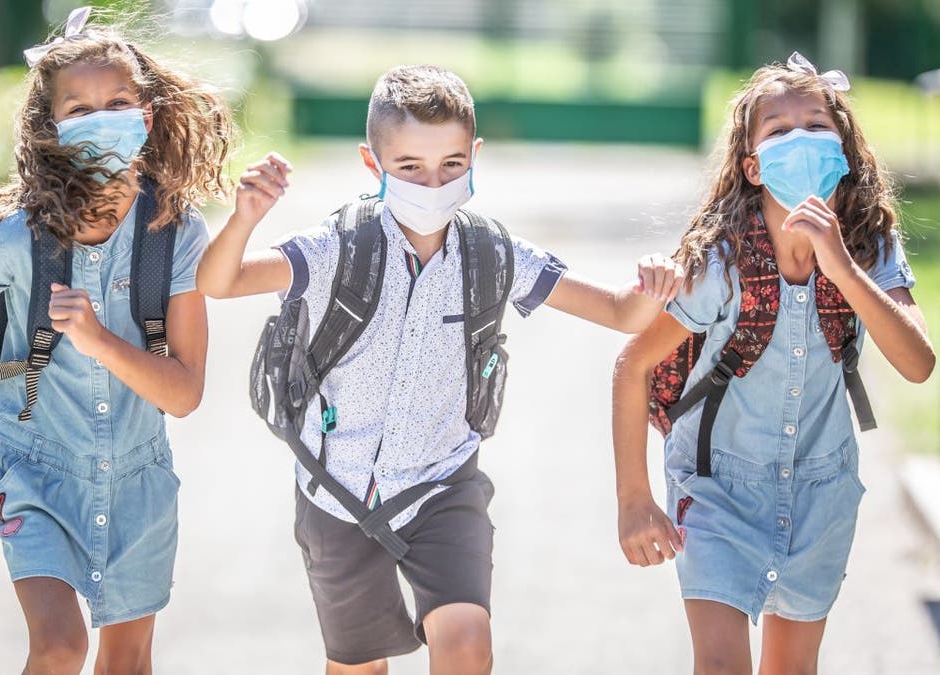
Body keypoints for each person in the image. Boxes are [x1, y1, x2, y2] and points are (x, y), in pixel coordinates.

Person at [198, 64, 683, 675]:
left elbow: (618, 311)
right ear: (372, 165)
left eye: (452, 164)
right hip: (338, 493)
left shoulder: (490, 252)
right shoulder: (336, 248)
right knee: (358, 665)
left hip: (443, 484)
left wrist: (653, 285)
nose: (433, 182)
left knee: (467, 642)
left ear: (474, 155)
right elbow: (220, 283)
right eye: (410, 168)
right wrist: (245, 216)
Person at [0, 7, 232, 673]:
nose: (101, 120)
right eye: (80, 109)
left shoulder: (175, 236)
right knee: (61, 645)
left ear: (146, 118)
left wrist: (99, 340)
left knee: (125, 661)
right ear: (52, 129)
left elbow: (183, 395)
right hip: (34, 473)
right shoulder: (21, 238)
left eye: (118, 103)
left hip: (138, 484)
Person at [612, 53, 935, 674]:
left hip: (822, 490)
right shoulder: (721, 261)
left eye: (817, 125)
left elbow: (918, 364)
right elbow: (632, 364)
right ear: (753, 167)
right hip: (716, 489)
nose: (802, 140)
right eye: (780, 131)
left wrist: (840, 264)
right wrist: (633, 498)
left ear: (844, 151)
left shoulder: (870, 243)